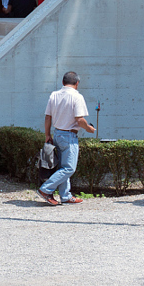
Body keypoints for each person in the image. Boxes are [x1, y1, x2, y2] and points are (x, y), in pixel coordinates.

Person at [37, 70, 96, 206]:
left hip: (57, 133)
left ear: (63, 82)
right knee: (69, 168)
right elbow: (79, 119)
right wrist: (89, 129)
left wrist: (47, 135)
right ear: (77, 83)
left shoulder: (54, 95)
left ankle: (65, 195)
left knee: (63, 167)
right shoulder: (77, 96)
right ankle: (45, 190)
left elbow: (47, 117)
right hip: (69, 135)